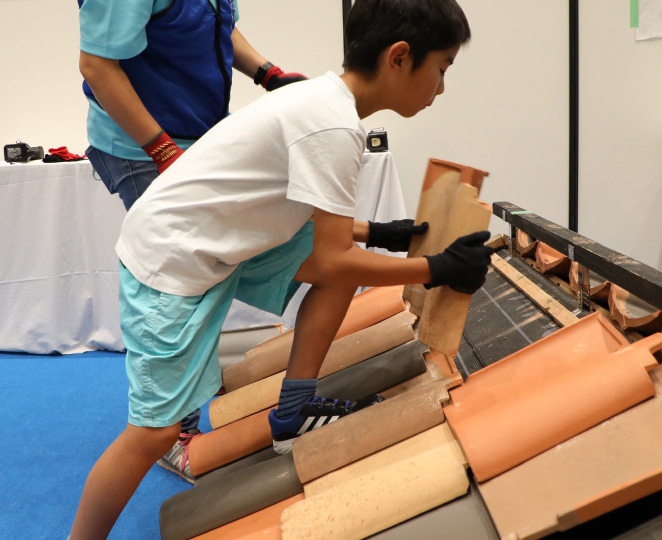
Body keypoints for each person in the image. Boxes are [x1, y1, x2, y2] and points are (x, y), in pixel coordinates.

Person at [69, 0, 492, 537]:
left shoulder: (324, 103)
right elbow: (335, 254)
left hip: (210, 236)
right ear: (400, 58)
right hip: (172, 259)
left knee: (335, 273)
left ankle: (294, 409)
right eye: (443, 69)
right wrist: (435, 267)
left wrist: (379, 233)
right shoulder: (334, 127)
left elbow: (314, 231)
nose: (442, 87)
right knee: (154, 433)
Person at [77, 0, 305, 483]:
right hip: (141, 145)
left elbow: (219, 30)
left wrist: (268, 74)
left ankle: (183, 410)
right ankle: (172, 434)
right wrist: (162, 152)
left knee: (207, 271)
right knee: (179, 287)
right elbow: (97, 64)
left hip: (194, 137)